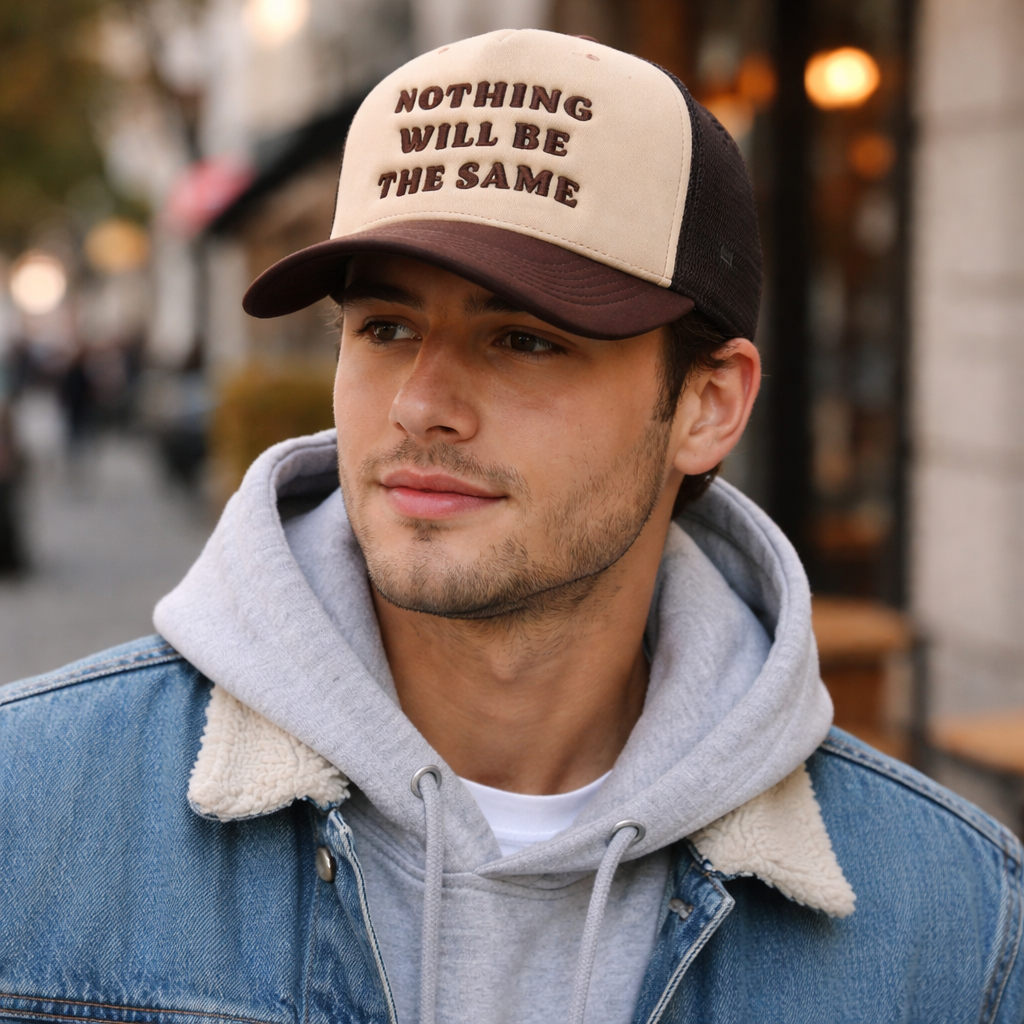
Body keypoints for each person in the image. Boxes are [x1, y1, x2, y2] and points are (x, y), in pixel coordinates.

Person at [1, 28, 1022, 1024]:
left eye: (524, 339)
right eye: (385, 328)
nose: (420, 403)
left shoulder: (954, 924)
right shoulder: (34, 809)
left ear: (708, 404)